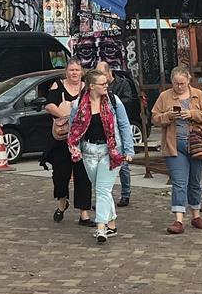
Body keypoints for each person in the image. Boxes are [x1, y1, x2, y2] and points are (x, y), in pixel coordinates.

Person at [67, 69, 134, 244]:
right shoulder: (78, 104)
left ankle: (101, 227)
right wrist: (74, 147)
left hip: (110, 150)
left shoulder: (113, 101)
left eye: (107, 83)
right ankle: (112, 224)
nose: (106, 86)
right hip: (89, 151)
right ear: (91, 86)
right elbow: (73, 129)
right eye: (102, 84)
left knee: (102, 190)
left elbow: (124, 125)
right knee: (101, 188)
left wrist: (128, 150)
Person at [151, 65, 202, 235]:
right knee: (179, 182)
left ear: (188, 81)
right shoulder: (165, 96)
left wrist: (192, 114)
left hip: (196, 144)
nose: (179, 87)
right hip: (175, 145)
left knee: (194, 181)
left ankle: (196, 215)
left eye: (182, 83)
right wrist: (168, 116)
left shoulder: (198, 95)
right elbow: (155, 118)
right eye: (176, 83)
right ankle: (178, 219)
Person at [43, 58, 94, 227]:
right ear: (66, 72)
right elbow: (48, 105)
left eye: (77, 70)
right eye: (71, 70)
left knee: (83, 176)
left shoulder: (87, 88)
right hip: (62, 138)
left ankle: (84, 214)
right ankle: (62, 202)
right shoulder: (58, 85)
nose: (74, 73)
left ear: (82, 72)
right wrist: (65, 116)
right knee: (60, 175)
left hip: (82, 138)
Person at [96, 60, 133, 207]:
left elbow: (129, 100)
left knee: (123, 165)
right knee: (104, 168)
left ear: (108, 73)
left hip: (117, 130)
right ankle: (105, 195)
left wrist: (114, 102)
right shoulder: (96, 90)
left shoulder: (121, 84)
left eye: (102, 74)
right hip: (103, 134)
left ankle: (126, 193)